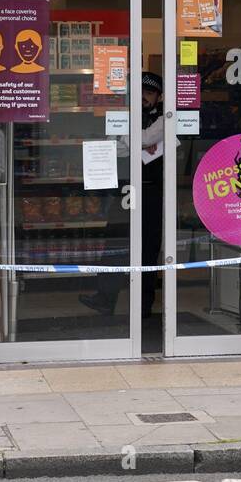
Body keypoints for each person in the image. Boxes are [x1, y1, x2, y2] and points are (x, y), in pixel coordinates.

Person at [82, 72, 164, 318]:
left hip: (152, 191)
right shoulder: (124, 116)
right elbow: (114, 149)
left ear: (158, 97)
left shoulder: (164, 118)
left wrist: (128, 138)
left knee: (148, 249)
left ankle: (144, 306)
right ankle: (104, 298)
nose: (143, 97)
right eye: (140, 92)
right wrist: (133, 141)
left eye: (149, 93)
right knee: (115, 242)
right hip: (125, 188)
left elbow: (148, 138)